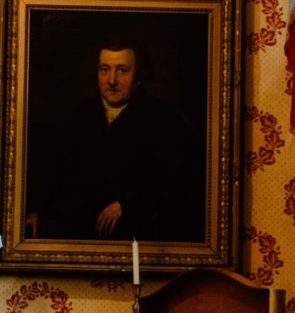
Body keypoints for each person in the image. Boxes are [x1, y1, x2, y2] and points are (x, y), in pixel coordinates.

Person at [26, 37, 203, 241]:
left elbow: (180, 185)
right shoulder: (80, 116)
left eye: (122, 70)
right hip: (80, 234)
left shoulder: (164, 120)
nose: (111, 80)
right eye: (104, 69)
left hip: (137, 234)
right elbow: (54, 171)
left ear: (139, 75)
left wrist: (128, 205)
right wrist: (36, 209)